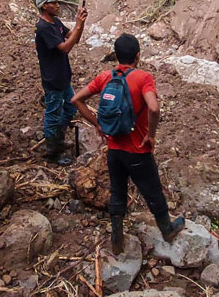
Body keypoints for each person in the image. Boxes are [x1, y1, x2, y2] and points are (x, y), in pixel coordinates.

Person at [71, 33, 185, 254]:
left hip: (114, 150)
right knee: (153, 192)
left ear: (116, 55)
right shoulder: (143, 78)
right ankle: (167, 230)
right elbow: (154, 108)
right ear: (138, 56)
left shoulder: (105, 77)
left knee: (117, 192)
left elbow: (76, 99)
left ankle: (117, 240)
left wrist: (97, 124)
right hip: (138, 150)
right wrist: (151, 135)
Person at [35, 0, 87, 165]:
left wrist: (81, 24)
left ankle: (58, 135)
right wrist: (78, 25)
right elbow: (65, 48)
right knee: (53, 115)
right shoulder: (43, 28)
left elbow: (74, 38)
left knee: (71, 108)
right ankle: (53, 151)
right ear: (44, 6)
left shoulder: (55, 22)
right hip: (53, 79)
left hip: (63, 76)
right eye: (54, 3)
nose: (58, 5)